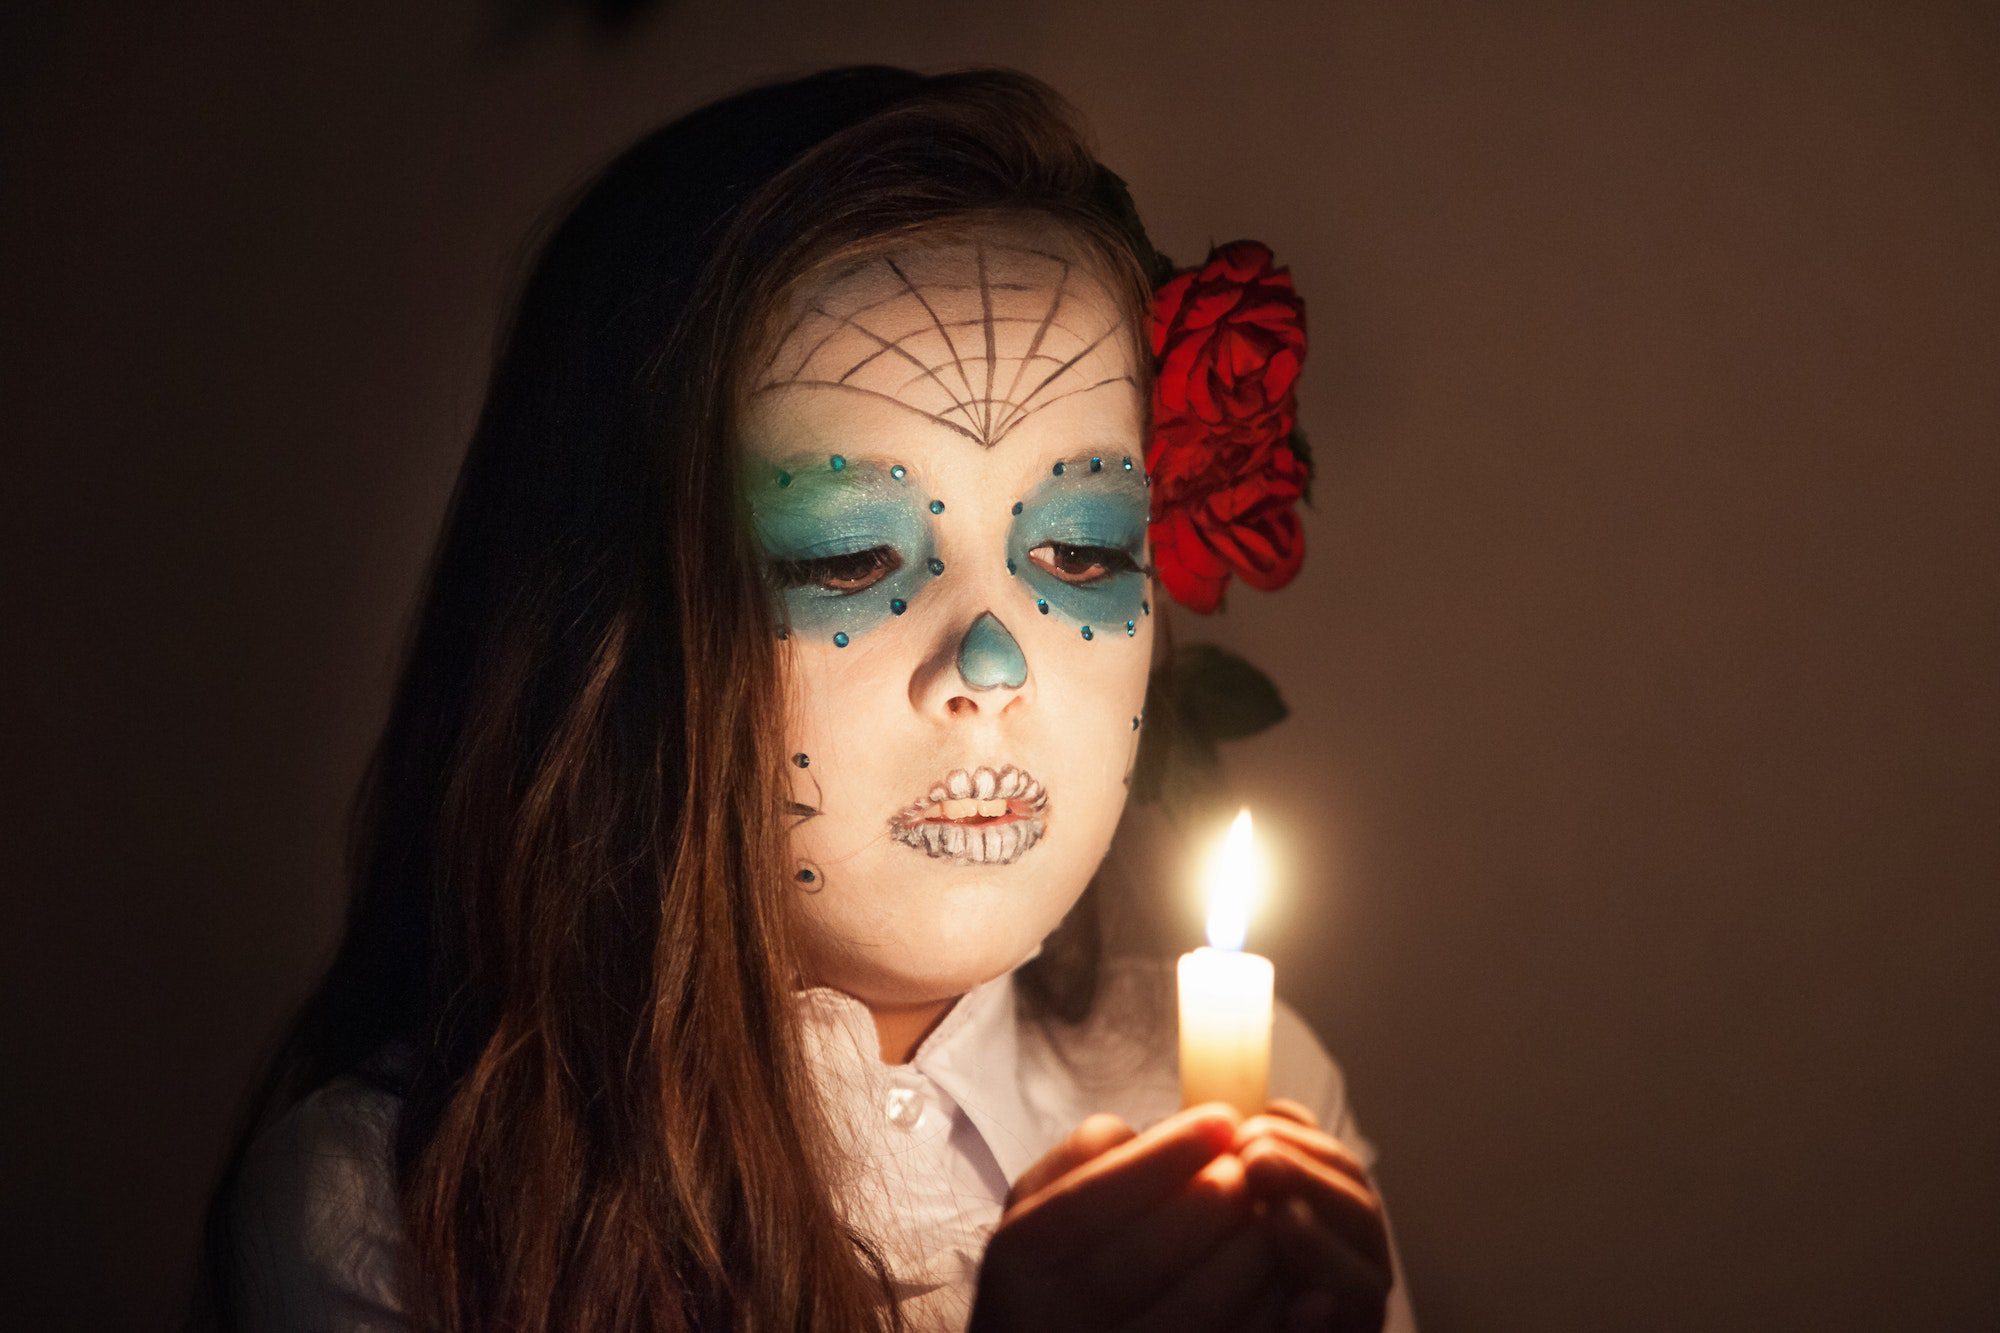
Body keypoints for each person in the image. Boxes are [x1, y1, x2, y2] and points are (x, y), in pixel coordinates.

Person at [196, 65, 1418, 1333]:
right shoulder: (398, 1211)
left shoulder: (1247, 1108)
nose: (994, 665)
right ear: (615, 633)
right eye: (848, 557)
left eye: (1080, 550)